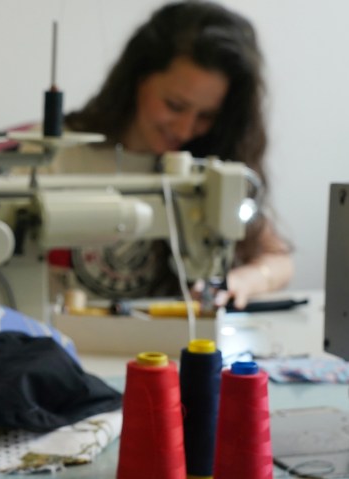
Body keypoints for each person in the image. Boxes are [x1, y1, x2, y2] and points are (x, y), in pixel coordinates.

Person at [53, 0, 293, 310]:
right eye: (175, 106)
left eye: (206, 116)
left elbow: (277, 258)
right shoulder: (51, 157)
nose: (185, 128)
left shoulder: (208, 166)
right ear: (137, 79)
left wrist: (243, 280)